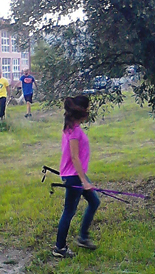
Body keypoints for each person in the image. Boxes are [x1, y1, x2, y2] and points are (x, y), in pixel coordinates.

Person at [53, 95, 100, 258]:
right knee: (68, 211)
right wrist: (84, 181)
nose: (89, 111)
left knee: (94, 201)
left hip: (75, 175)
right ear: (82, 111)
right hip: (74, 176)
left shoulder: (71, 127)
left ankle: (83, 237)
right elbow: (74, 157)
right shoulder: (74, 131)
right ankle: (59, 248)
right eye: (87, 108)